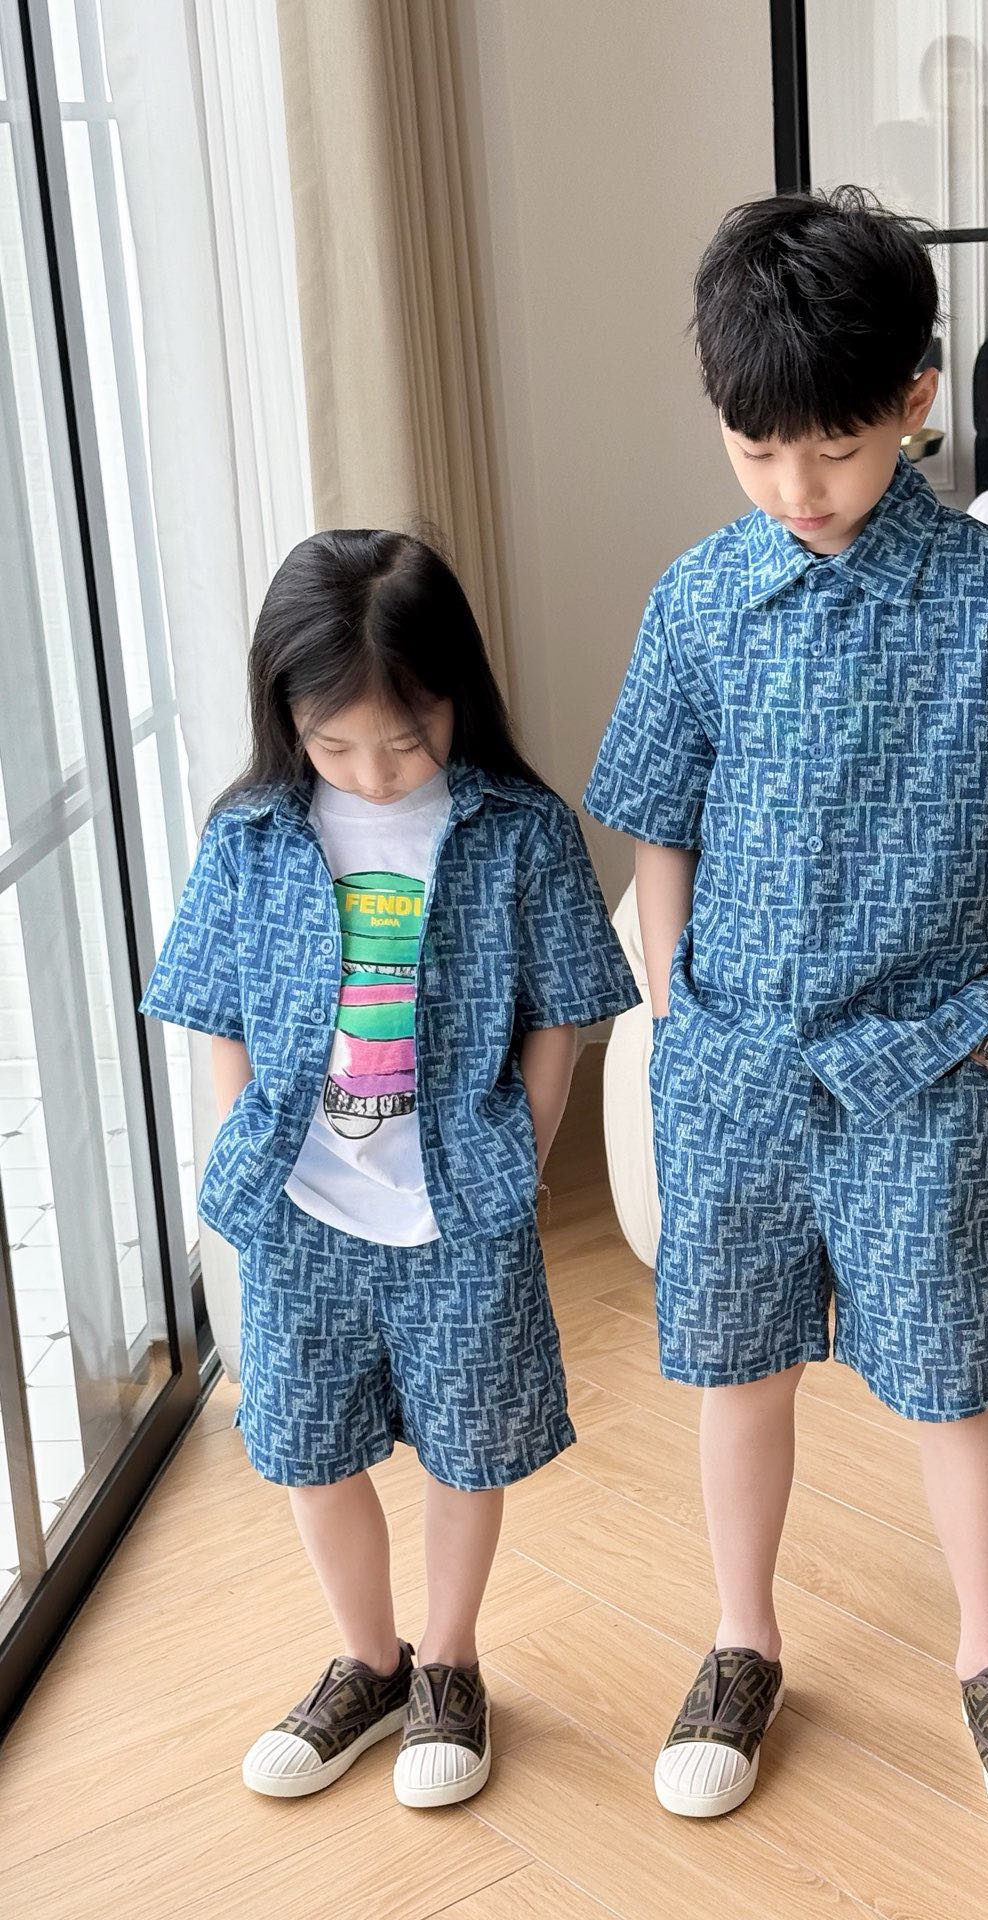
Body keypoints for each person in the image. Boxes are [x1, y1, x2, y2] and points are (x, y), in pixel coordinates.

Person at [582, 187, 988, 1835]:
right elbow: (660, 815)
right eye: (756, 451)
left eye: (831, 450)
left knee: (961, 1377)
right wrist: (675, 1000)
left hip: (926, 1068)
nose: (797, 488)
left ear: (913, 400)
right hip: (736, 1062)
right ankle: (740, 1640)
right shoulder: (698, 598)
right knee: (738, 1368)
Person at [141, 529, 640, 1807]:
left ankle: (452, 1665)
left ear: (457, 697)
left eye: (404, 743)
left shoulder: (520, 830)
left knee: (467, 1448)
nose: (372, 773)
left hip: (459, 1205)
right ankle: (368, 1665)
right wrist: (247, 1134)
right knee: (310, 1450)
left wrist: (525, 1146)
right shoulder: (250, 833)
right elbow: (210, 1003)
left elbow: (563, 1010)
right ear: (287, 718)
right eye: (335, 745)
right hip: (301, 1208)